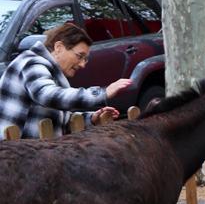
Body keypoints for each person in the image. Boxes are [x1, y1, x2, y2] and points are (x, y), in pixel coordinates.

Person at [0, 23, 131, 138]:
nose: (82, 64)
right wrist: (101, 93)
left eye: (85, 59)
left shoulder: (52, 72)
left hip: (32, 152)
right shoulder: (32, 63)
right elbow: (47, 96)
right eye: (80, 56)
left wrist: (91, 118)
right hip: (15, 155)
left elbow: (60, 120)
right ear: (59, 47)